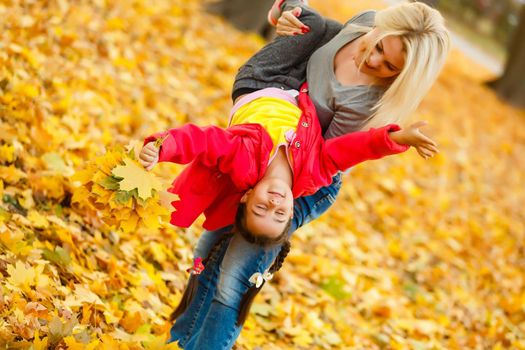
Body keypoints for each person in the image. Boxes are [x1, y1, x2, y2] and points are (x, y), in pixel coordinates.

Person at [166, 1, 451, 349]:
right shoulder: (363, 22)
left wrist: (390, 139)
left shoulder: (365, 103)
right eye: (378, 46)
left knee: (234, 277)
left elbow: (328, 157)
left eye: (390, 66)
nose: (374, 61)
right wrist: (286, 18)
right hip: (271, 150)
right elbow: (321, 29)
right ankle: (179, 342)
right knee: (208, 250)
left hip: (306, 179)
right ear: (377, 27)